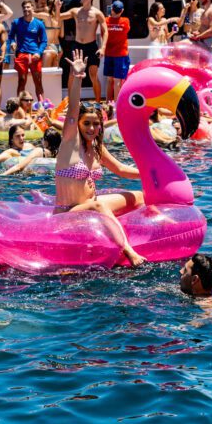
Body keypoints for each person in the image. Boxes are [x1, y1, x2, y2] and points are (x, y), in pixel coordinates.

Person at [55, 49, 145, 267]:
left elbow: (122, 170)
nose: (92, 128)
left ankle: (137, 233)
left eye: (96, 124)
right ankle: (129, 251)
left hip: (92, 203)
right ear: (78, 124)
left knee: (140, 196)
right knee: (97, 208)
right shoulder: (70, 143)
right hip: (68, 213)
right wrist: (77, 78)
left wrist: (153, 174)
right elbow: (73, 111)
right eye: (87, 123)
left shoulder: (96, 148)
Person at [58, 0, 109, 101]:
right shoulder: (75, 11)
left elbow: (105, 31)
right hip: (77, 46)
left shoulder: (97, 13)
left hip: (91, 47)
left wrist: (103, 48)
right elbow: (59, 17)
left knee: (93, 75)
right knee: (72, 73)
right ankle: (71, 101)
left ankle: (98, 103)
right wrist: (57, 8)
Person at [8, 0, 47, 98]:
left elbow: (44, 41)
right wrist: (12, 42)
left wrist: (39, 52)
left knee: (38, 81)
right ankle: (19, 106)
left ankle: (41, 105)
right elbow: (11, 36)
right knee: (21, 80)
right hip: (22, 54)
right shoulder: (17, 22)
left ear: (33, 8)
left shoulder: (39, 23)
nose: (26, 9)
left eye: (28, 7)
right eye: (24, 7)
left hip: (35, 55)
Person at [103, 0, 130, 102]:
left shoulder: (106, 21)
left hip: (109, 54)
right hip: (121, 55)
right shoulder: (126, 21)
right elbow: (127, 31)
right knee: (117, 81)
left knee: (109, 80)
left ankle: (107, 103)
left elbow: (103, 34)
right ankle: (116, 107)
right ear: (122, 10)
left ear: (111, 9)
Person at [34, 0, 62, 67]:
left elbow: (30, 13)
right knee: (54, 76)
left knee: (46, 75)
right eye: (42, 3)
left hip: (48, 48)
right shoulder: (55, 17)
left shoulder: (44, 16)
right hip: (57, 48)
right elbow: (61, 34)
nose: (44, 5)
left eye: (45, 3)